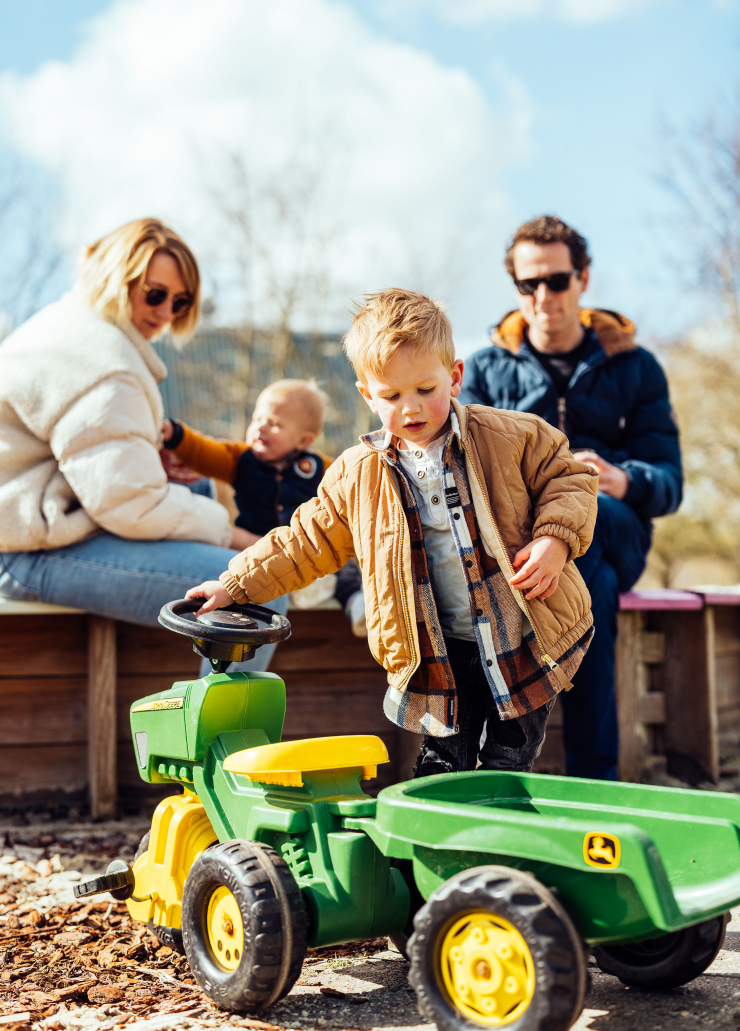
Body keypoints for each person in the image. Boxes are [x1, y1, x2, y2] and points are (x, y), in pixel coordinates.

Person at [186, 289, 598, 777]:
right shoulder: (358, 476)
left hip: (520, 638)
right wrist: (234, 585)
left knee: (508, 760)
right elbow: (303, 541)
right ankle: (435, 826)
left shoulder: (510, 436)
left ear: (455, 377)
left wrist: (554, 540)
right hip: (440, 651)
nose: (411, 408)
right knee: (441, 765)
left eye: (425, 389)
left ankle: (500, 821)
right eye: (392, 396)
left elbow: (570, 477)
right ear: (367, 395)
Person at [0, 217, 287, 664]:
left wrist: (148, 462)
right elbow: (129, 504)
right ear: (116, 279)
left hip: (32, 528)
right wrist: (241, 538)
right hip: (24, 553)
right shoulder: (103, 363)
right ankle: (221, 714)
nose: (167, 312)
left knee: (200, 489)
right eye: (154, 294)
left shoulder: (67, 327)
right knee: (258, 585)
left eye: (180, 301)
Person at [459, 216, 682, 780]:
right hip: (521, 545)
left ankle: (509, 769)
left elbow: (669, 483)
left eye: (556, 281)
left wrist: (619, 478)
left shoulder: (636, 367)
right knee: (592, 585)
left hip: (616, 527)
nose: (543, 296)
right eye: (528, 283)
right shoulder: (482, 370)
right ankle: (593, 781)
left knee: (595, 519)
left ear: (582, 279)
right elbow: (465, 470)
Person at [162, 379, 331, 547]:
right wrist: (177, 436)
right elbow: (206, 453)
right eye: (257, 419)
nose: (260, 428)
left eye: (273, 423)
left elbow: (344, 478)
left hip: (302, 549)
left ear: (303, 441)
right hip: (251, 547)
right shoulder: (242, 457)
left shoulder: (317, 467)